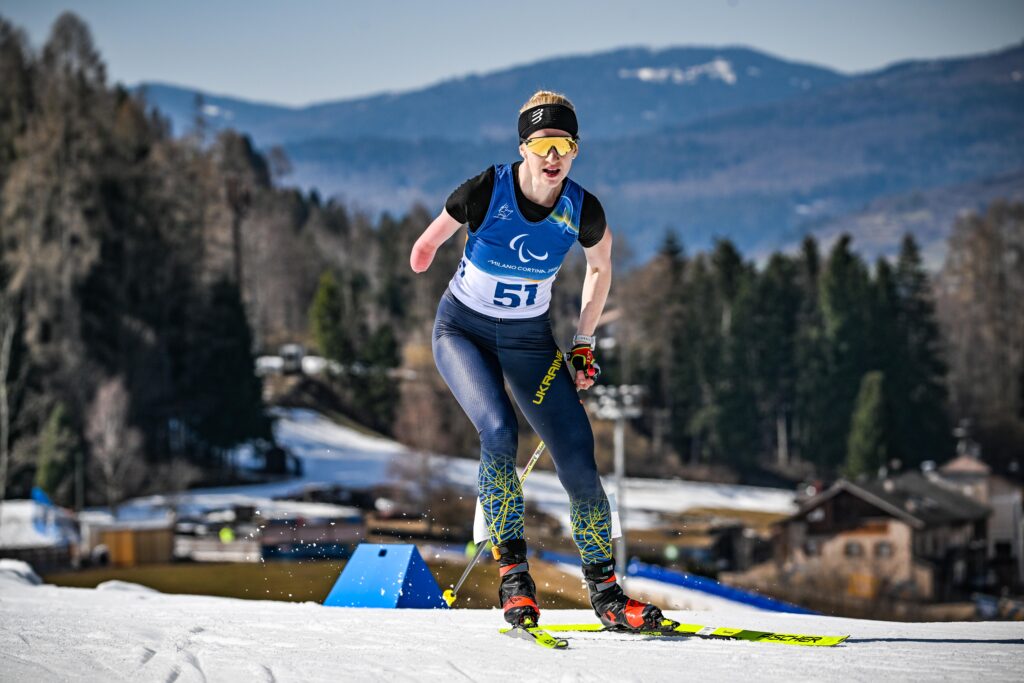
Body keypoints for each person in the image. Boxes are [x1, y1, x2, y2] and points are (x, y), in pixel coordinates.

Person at [410, 91, 671, 631]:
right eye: (543, 144)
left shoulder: (582, 209)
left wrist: (583, 342)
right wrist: (425, 253)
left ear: (576, 150)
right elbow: (429, 241)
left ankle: (607, 594)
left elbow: (600, 268)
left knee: (577, 452)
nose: (553, 157)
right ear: (523, 147)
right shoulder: (486, 190)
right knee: (498, 431)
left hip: (529, 342)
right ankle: (514, 582)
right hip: (462, 333)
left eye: (565, 145)